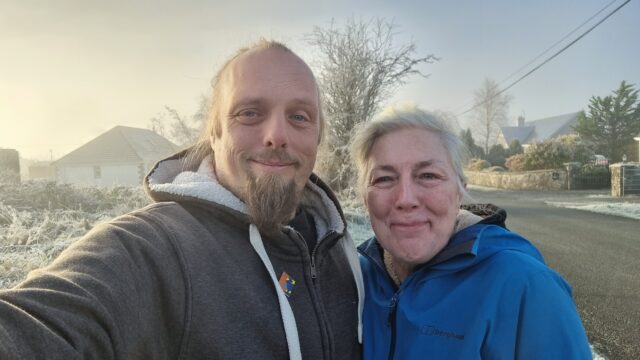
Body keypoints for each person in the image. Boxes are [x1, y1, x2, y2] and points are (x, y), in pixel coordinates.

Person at [0, 40, 363, 359]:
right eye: (250, 113)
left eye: (299, 117)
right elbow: (39, 326)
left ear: (317, 139)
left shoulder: (344, 254)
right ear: (215, 134)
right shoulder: (155, 249)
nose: (277, 135)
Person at [351, 105, 591, 359]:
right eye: (384, 179)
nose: (406, 199)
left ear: (459, 192)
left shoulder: (527, 287)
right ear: (365, 198)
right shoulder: (354, 278)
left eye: (428, 175)